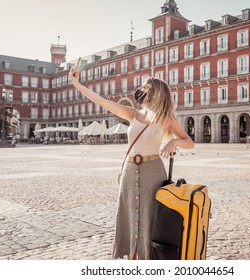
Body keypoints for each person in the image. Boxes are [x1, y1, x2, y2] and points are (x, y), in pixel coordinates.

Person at [69, 66, 194, 260]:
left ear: (154, 92)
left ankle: (148, 260)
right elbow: (102, 101)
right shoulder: (132, 113)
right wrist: (77, 84)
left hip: (153, 173)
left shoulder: (166, 119)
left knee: (149, 219)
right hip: (129, 170)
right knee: (128, 217)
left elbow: (190, 142)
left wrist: (174, 141)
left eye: (143, 87)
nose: (139, 90)